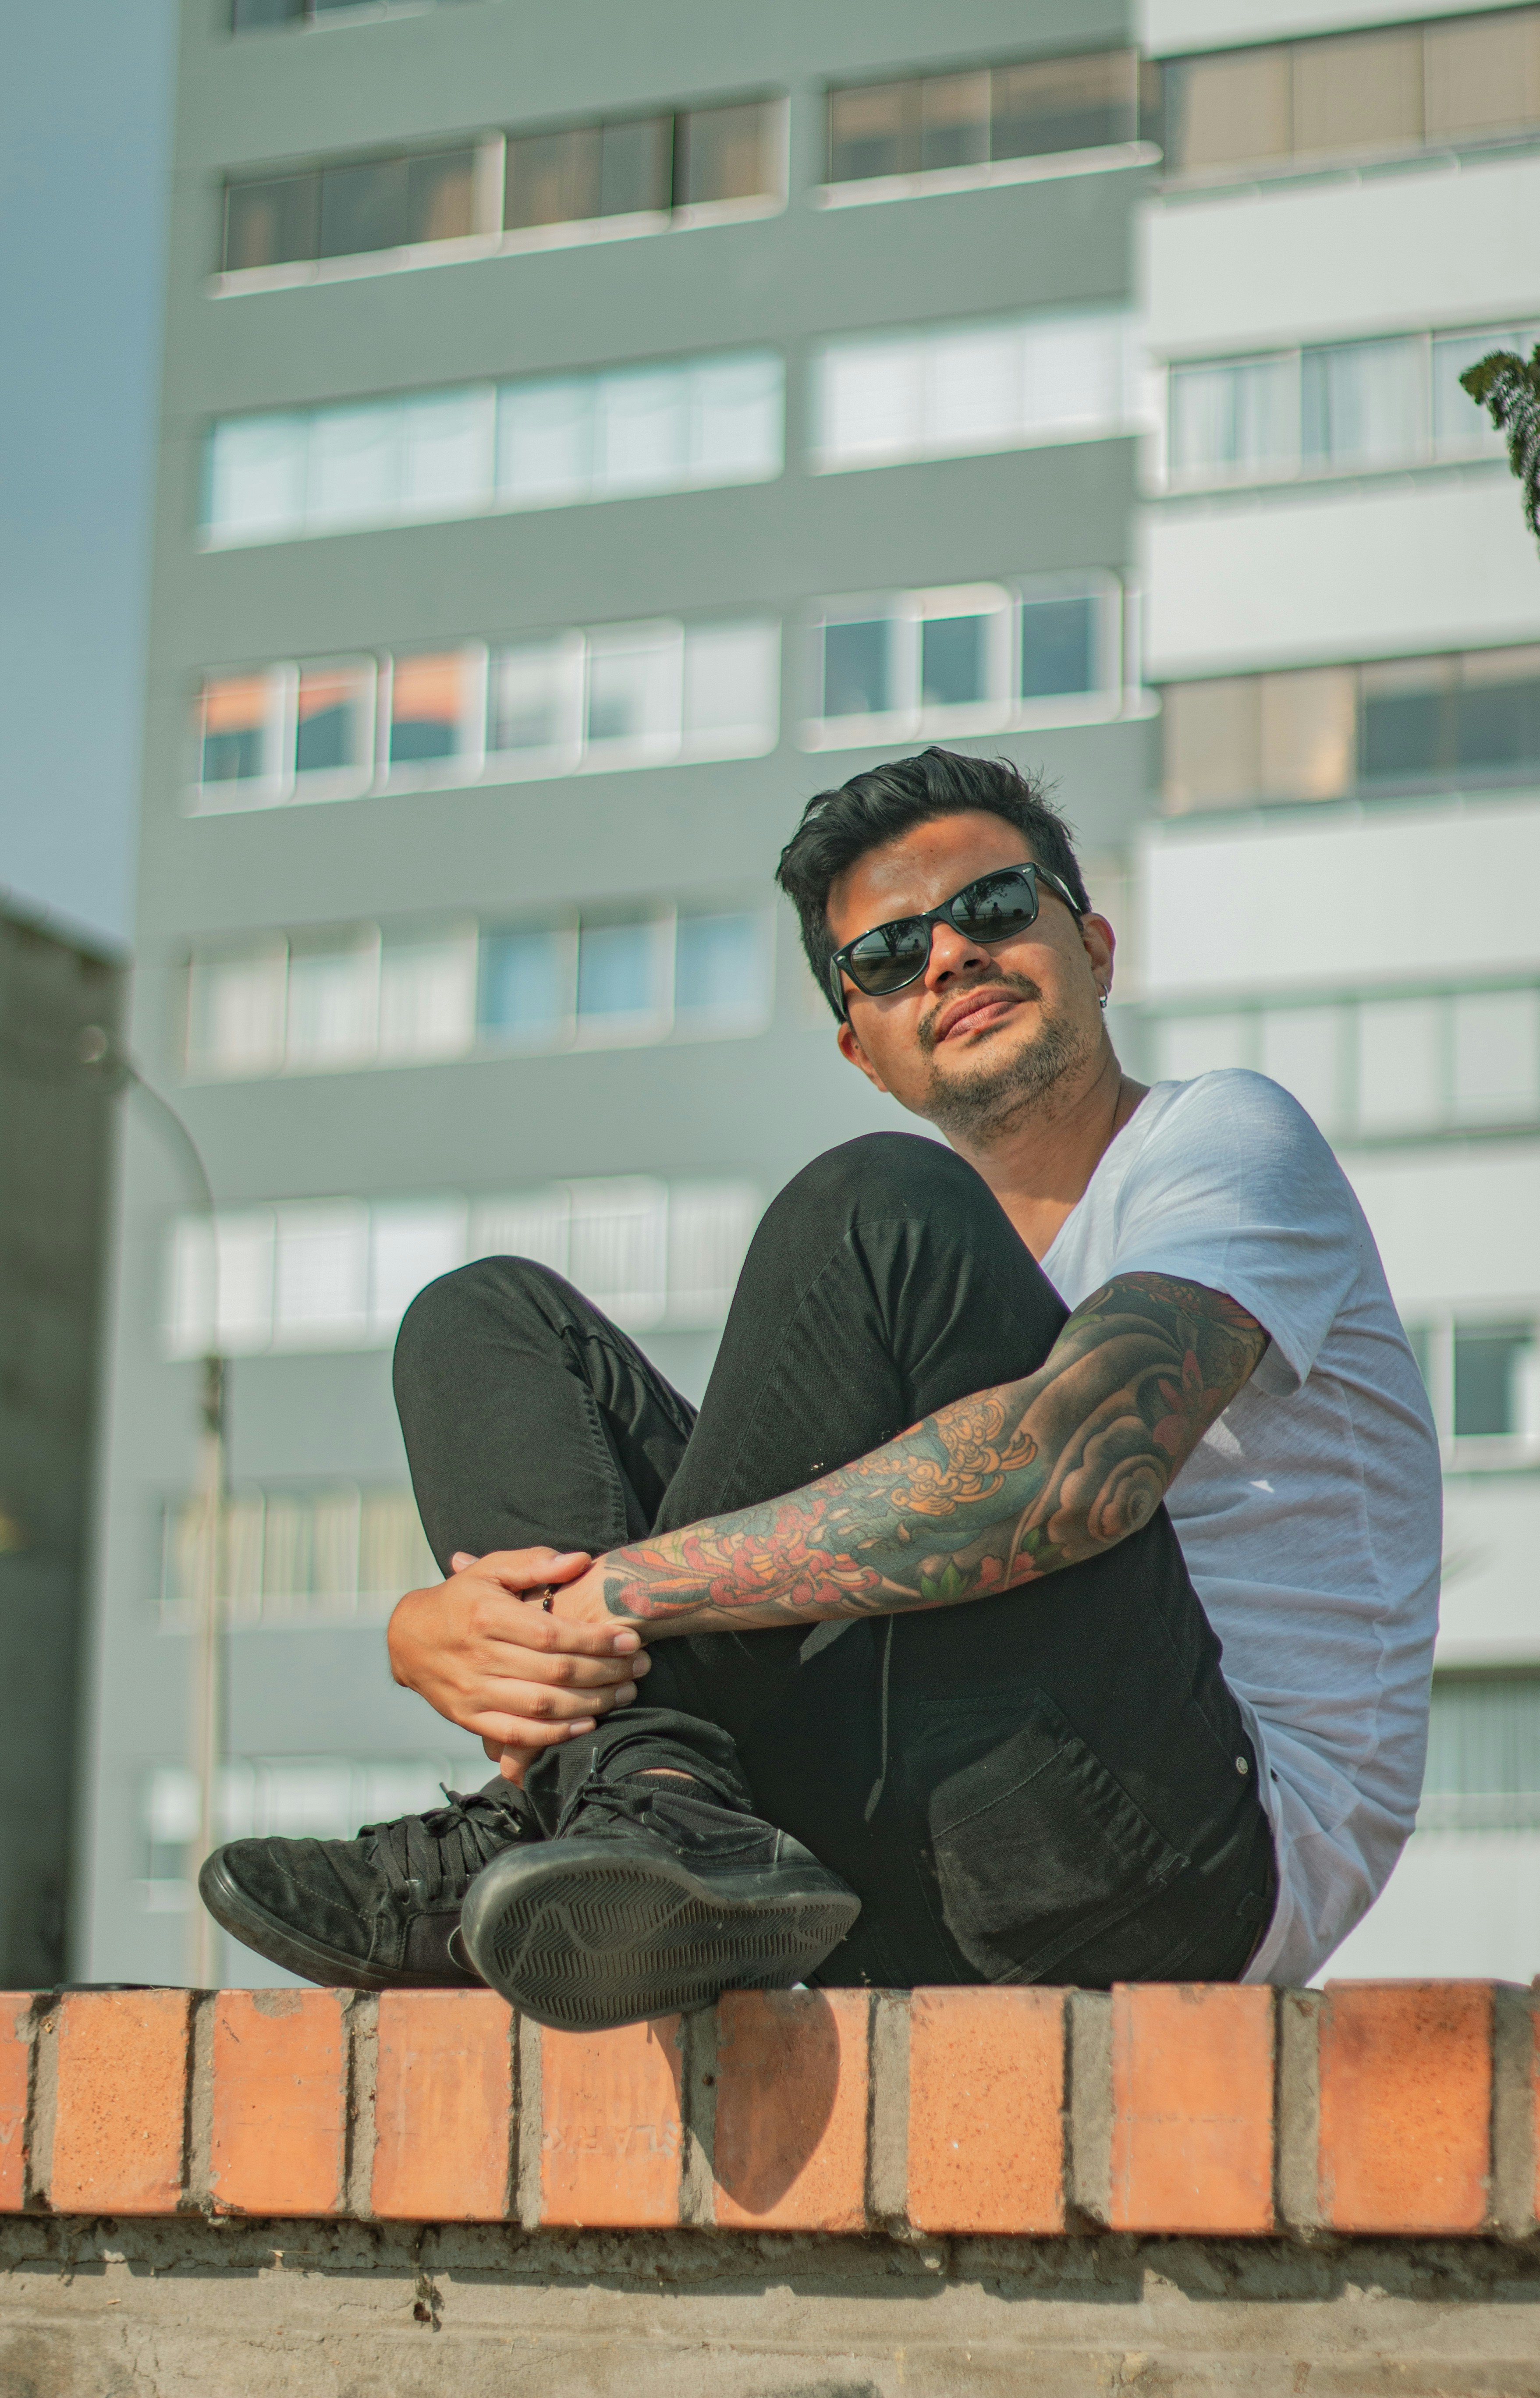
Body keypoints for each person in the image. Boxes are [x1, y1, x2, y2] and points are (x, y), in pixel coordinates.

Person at [202, 748, 1442, 2027]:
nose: (950, 958)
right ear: (864, 1048)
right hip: (903, 1869)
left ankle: (595, 1797)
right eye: (892, 957)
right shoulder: (930, 1292)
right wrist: (434, 1632)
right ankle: (649, 1804)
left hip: (1184, 1865)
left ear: (1097, 947)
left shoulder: (1219, 1142)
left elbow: (1066, 1474)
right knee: (484, 1321)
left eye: (996, 909)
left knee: (871, 1208)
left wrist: (602, 1600)